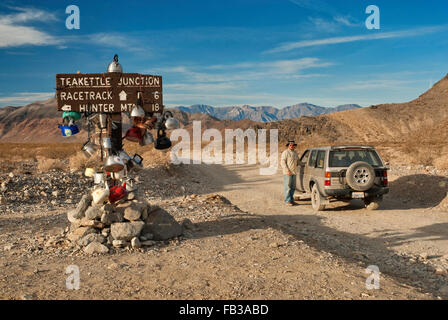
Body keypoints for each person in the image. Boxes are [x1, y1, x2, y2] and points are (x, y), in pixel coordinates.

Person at [281, 140, 300, 206]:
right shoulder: (285, 152)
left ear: (294, 146)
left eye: (293, 145)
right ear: (288, 145)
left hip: (294, 172)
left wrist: (305, 164)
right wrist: (287, 170)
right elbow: (282, 163)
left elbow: (298, 162)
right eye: (290, 145)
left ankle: (291, 200)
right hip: (288, 173)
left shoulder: (295, 153)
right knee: (288, 187)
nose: (292, 146)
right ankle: (287, 201)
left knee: (293, 187)